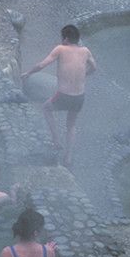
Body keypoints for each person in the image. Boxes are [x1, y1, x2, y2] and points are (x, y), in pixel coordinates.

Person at [20, 24, 96, 166]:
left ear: (66, 39)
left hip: (63, 95)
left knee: (46, 108)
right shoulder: (85, 51)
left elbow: (42, 65)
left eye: (62, 38)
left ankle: (56, 140)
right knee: (71, 125)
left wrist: (28, 73)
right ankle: (68, 157)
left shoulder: (60, 49)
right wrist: (83, 75)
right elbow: (94, 67)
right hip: (79, 97)